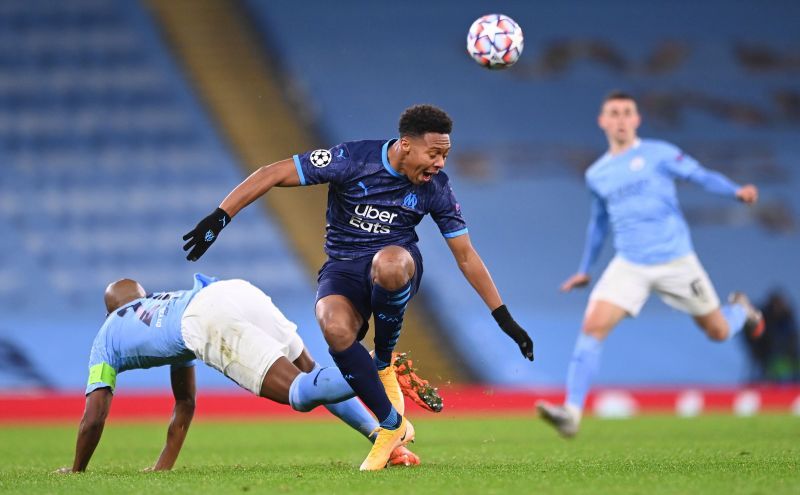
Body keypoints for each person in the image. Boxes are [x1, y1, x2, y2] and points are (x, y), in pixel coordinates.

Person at [181, 104, 534, 470]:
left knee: (390, 262)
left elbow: (466, 256)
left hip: (397, 265)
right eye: (434, 153)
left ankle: (384, 357)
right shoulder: (352, 158)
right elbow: (272, 173)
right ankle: (392, 423)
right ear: (406, 145)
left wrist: (503, 317)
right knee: (332, 325)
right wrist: (220, 217)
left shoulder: (436, 189)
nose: (440, 163)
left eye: (445, 154)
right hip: (343, 268)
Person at [536, 91, 765, 438]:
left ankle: (741, 311)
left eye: (627, 112)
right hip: (630, 264)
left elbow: (699, 175)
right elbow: (598, 223)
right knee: (592, 326)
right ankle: (571, 412)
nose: (621, 119)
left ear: (637, 119)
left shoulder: (659, 153)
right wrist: (585, 267)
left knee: (717, 331)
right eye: (614, 113)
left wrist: (735, 191)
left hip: (677, 261)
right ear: (602, 121)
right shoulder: (598, 173)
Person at [56, 274, 423, 473]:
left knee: (299, 393)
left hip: (205, 319)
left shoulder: (106, 337)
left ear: (109, 312)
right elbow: (184, 401)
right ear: (143, 296)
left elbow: (94, 417)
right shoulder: (163, 303)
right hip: (232, 290)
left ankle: (376, 364)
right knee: (313, 373)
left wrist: (76, 471)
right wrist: (162, 469)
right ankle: (381, 436)